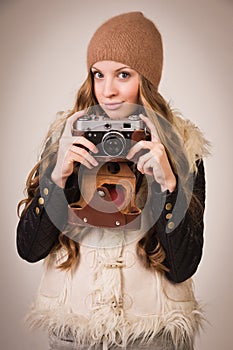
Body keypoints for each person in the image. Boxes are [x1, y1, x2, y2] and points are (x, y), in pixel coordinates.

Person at [16, 12, 210, 350]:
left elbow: (183, 267)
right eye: (98, 74)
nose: (108, 91)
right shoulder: (67, 139)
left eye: (123, 74)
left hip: (152, 336)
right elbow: (29, 249)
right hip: (74, 334)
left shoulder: (181, 148)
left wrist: (170, 188)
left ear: (147, 81)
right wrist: (56, 176)